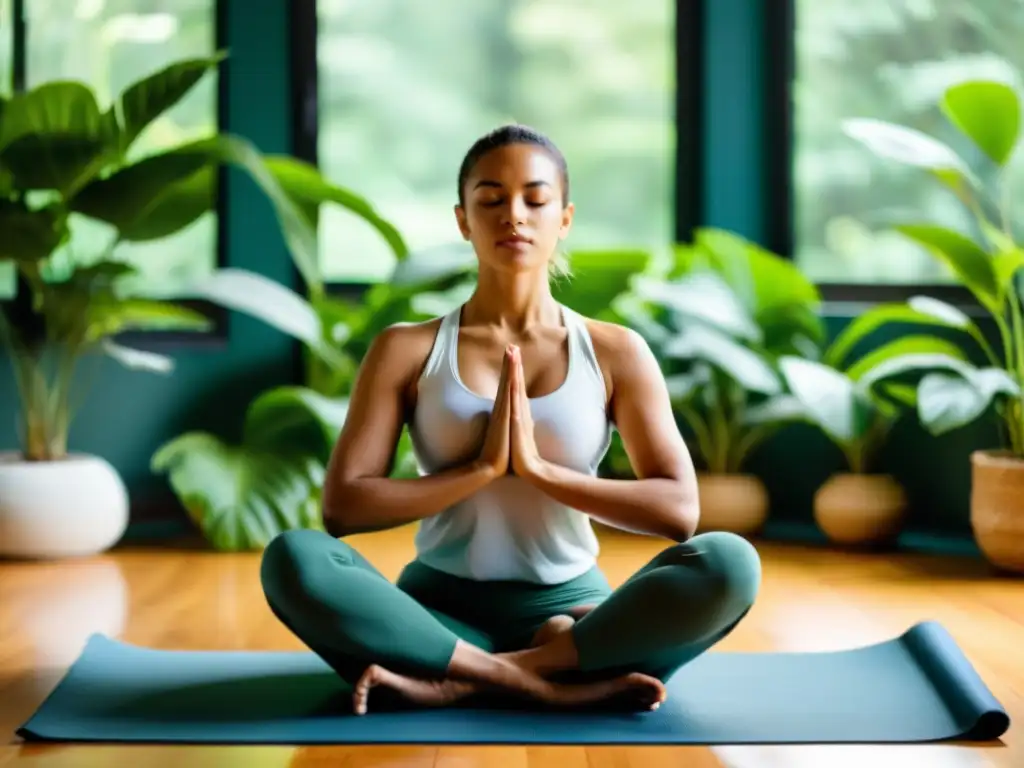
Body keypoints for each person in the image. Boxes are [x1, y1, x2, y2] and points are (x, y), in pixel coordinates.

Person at [260, 124, 762, 716]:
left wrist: (538, 470)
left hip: (571, 613)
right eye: (491, 200)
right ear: (463, 220)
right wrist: (482, 469)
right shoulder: (407, 348)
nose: (514, 216)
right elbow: (343, 507)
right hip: (434, 613)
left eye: (535, 199)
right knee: (294, 558)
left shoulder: (615, 351)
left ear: (565, 218)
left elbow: (679, 512)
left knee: (730, 564)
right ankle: (545, 681)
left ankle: (466, 678)